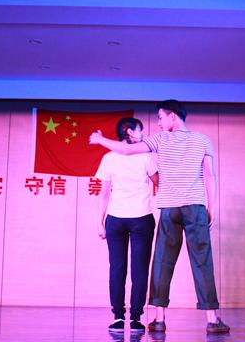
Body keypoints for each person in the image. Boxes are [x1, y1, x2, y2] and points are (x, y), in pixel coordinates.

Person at [90, 100, 230, 334]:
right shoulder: (203, 140)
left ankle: (159, 319)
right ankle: (212, 319)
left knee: (162, 262)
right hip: (195, 207)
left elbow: (126, 150)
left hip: (168, 209)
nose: (159, 122)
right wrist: (211, 207)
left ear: (172, 116)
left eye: (160, 117)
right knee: (202, 261)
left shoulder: (159, 140)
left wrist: (100, 139)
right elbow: (209, 175)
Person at [96, 117, 158, 334]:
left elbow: (104, 194)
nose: (143, 135)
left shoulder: (108, 158)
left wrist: (100, 222)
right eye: (140, 131)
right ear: (130, 132)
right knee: (139, 270)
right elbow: (160, 183)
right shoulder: (146, 157)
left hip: (115, 219)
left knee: (117, 268)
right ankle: (136, 319)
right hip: (141, 218)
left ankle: (118, 318)